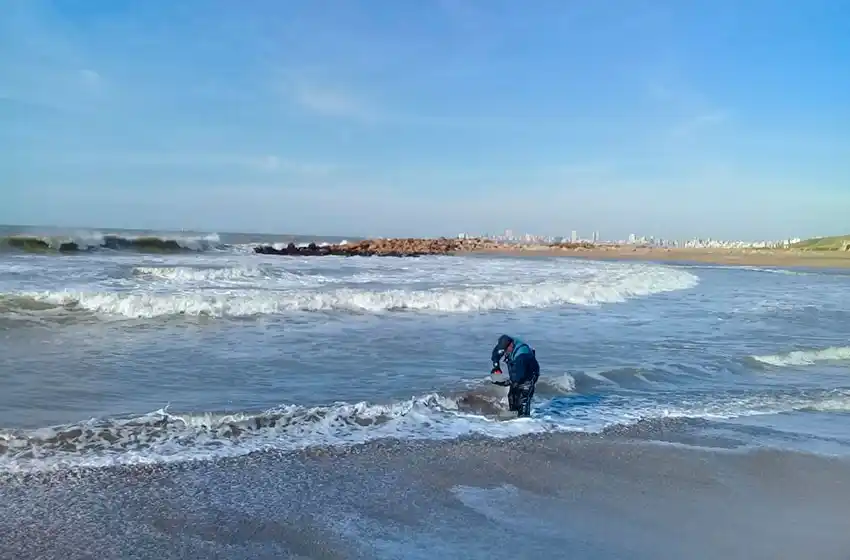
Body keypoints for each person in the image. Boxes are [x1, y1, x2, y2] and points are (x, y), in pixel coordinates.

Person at [490, 334, 540, 417]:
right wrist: (496, 366)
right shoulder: (505, 344)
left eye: (506, 350)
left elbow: (518, 376)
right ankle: (513, 420)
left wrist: (505, 382)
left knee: (523, 399)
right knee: (512, 396)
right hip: (518, 371)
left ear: (511, 345)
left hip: (529, 374)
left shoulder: (521, 354)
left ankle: (525, 422)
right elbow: (496, 353)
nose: (504, 353)